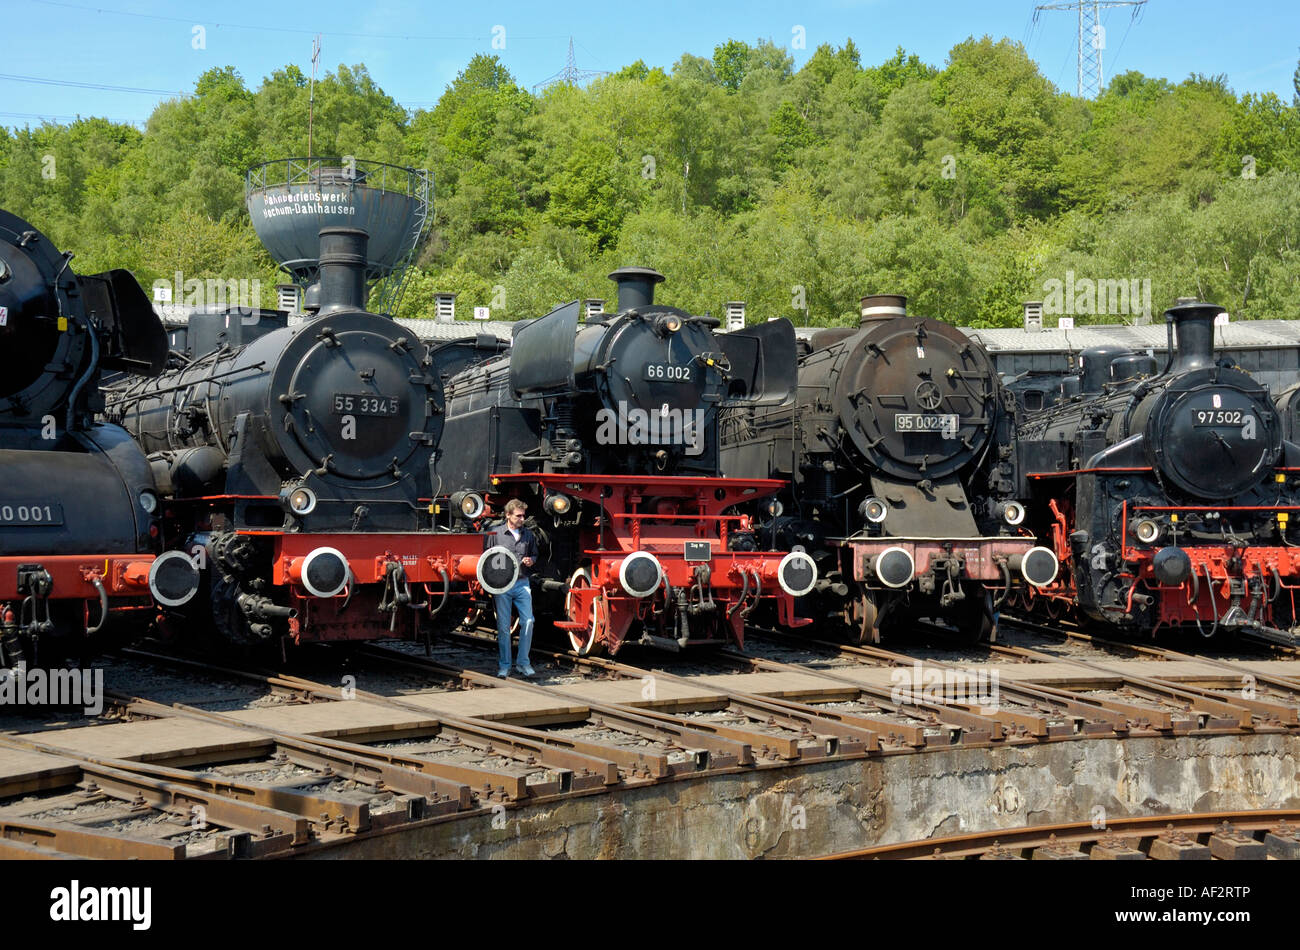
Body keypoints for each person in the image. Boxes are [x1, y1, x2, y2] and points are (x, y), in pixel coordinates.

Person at [486, 498, 538, 678]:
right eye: (518, 516)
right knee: (503, 626)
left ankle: (523, 663)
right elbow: (486, 558)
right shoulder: (495, 533)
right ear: (508, 515)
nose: (522, 519)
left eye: (523, 515)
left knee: (529, 621)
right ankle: (505, 665)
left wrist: (531, 560)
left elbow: (534, 554)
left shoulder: (528, 535)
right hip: (502, 585)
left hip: (523, 582)